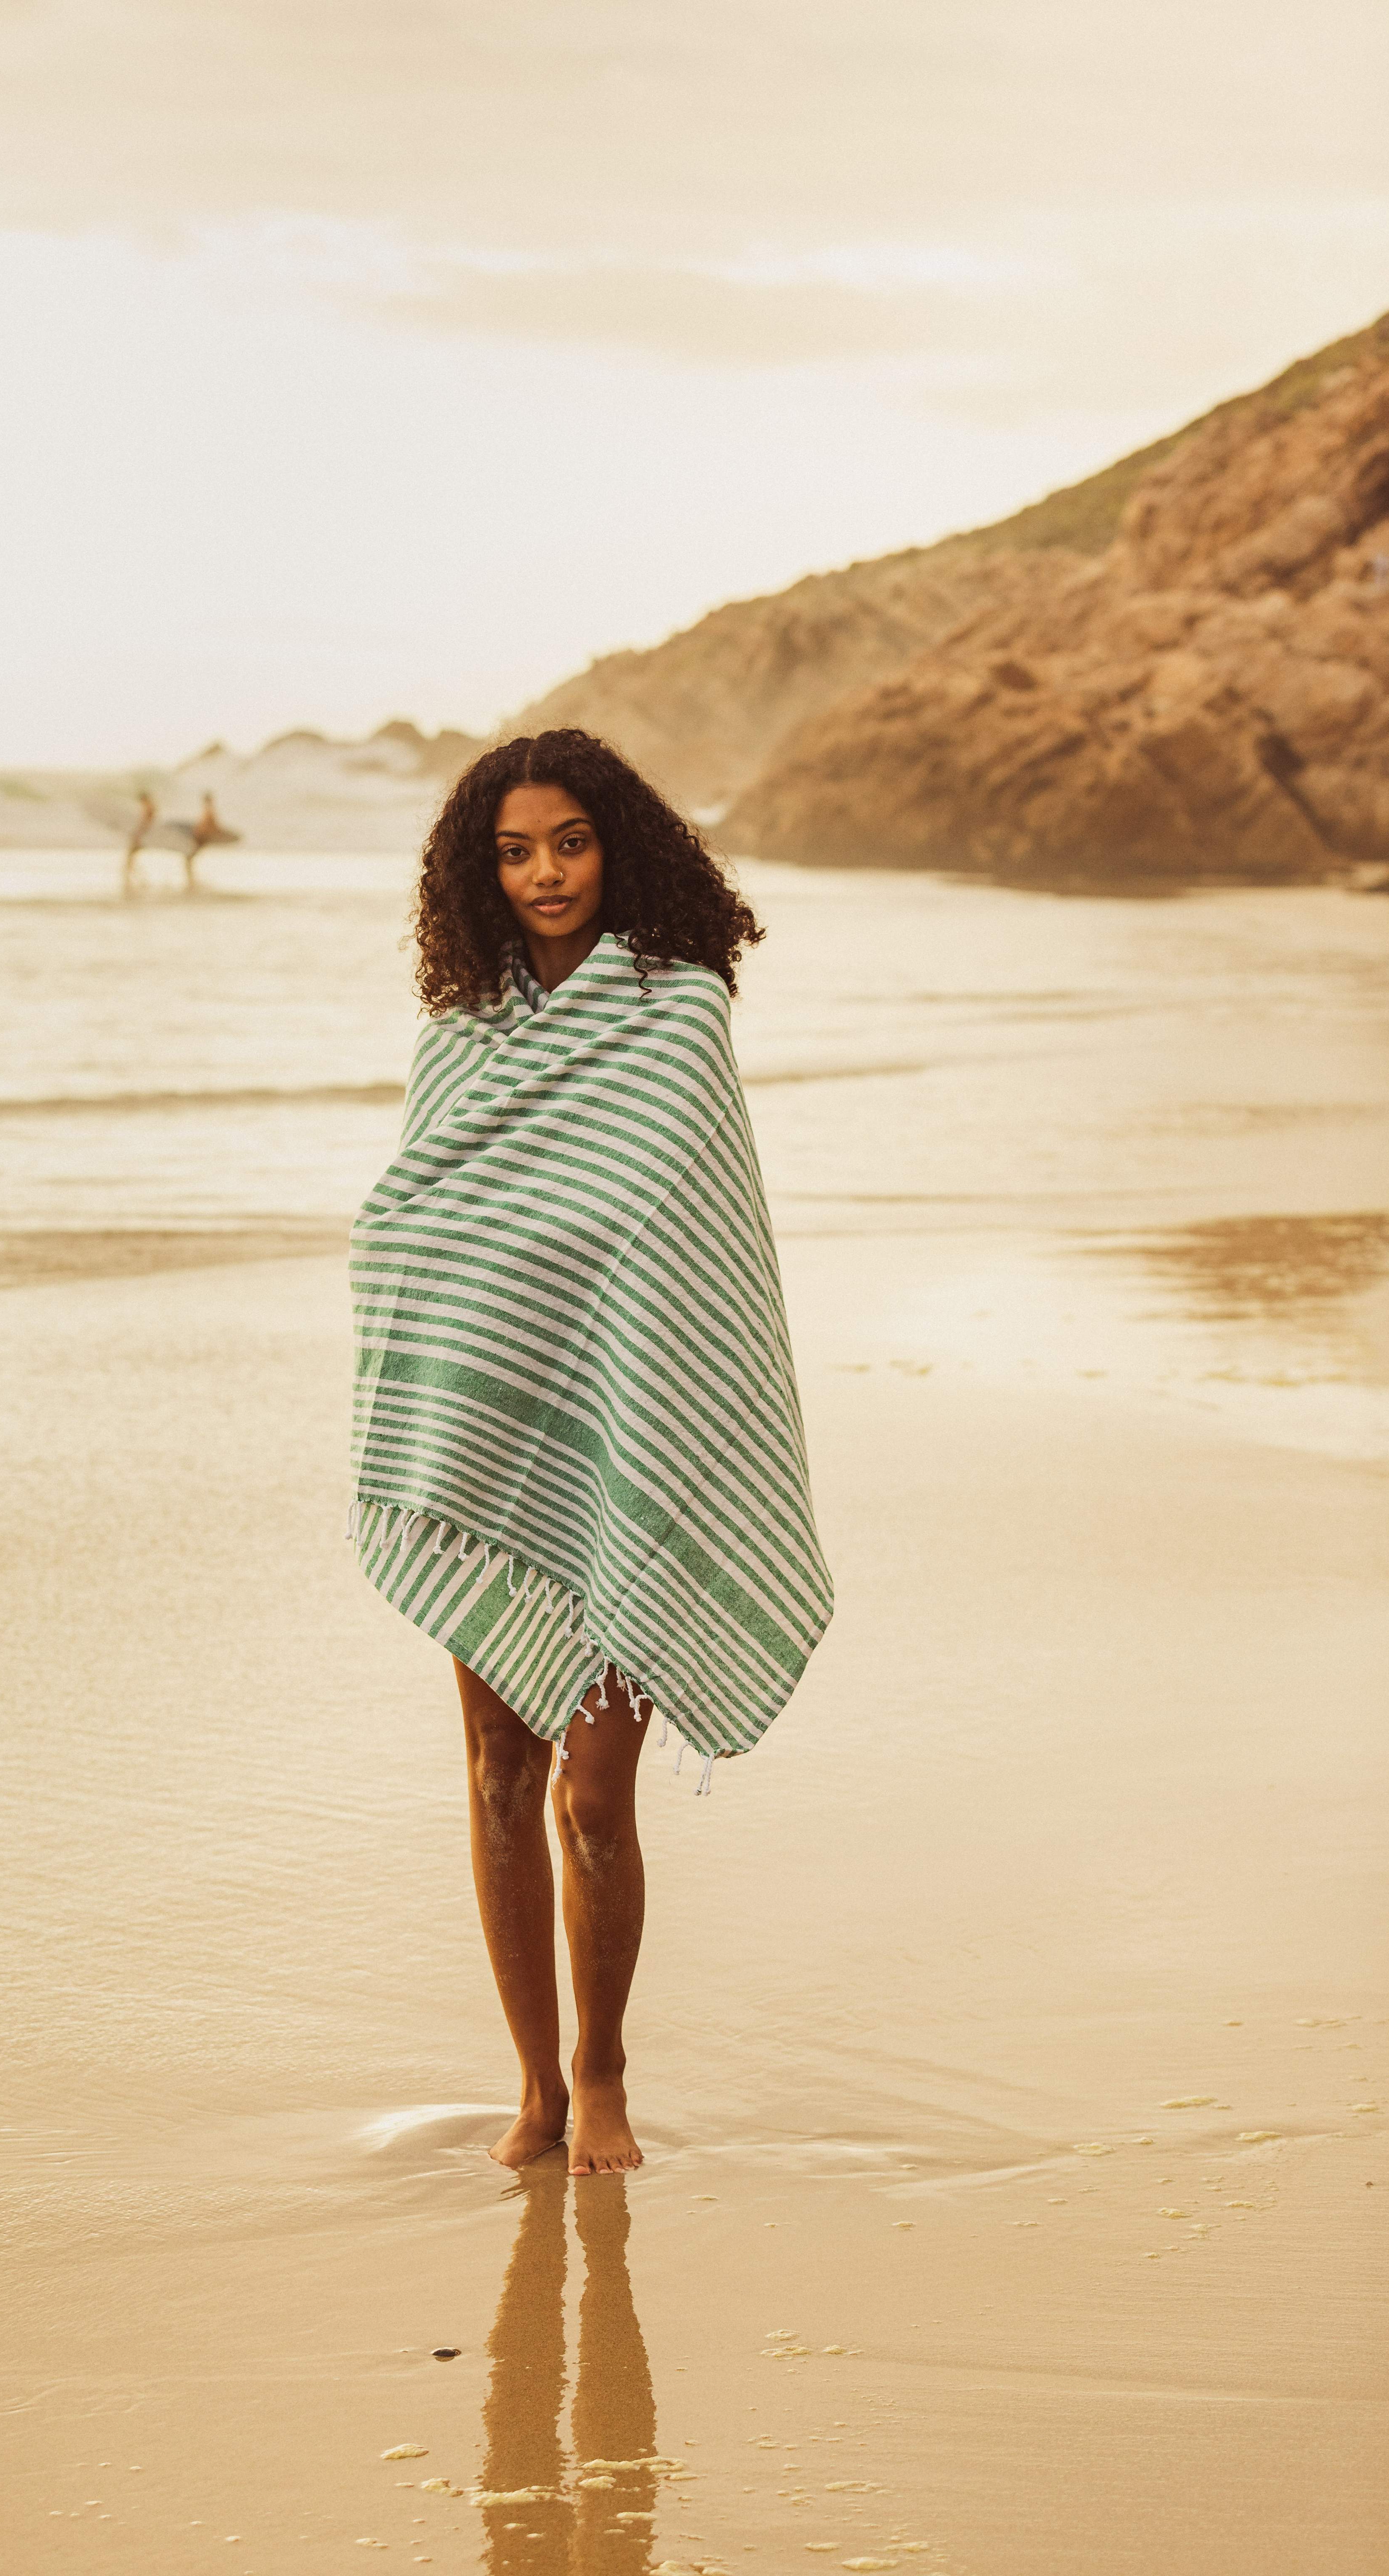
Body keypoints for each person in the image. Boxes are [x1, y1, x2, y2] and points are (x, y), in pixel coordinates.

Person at [348, 730, 832, 2175]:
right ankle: (535, 2092)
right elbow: (411, 1227)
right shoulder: (462, 1039)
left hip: (629, 1442)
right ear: (476, 872)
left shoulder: (677, 1018)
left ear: (617, 846)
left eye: (569, 842)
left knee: (595, 1793)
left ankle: (604, 2075)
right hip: (497, 1462)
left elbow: (689, 1256)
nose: (546, 873)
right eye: (514, 850)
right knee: (499, 1768)